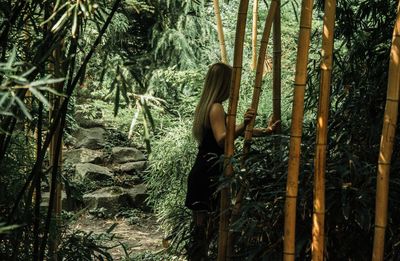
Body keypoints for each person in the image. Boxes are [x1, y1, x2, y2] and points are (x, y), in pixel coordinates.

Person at [184, 62, 280, 260]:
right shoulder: (216, 107)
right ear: (223, 84)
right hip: (208, 174)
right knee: (206, 232)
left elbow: (233, 132)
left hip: (203, 172)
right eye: (231, 83)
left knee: (202, 231)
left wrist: (266, 131)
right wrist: (244, 123)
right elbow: (222, 139)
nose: (232, 89)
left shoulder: (206, 106)